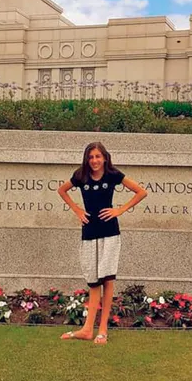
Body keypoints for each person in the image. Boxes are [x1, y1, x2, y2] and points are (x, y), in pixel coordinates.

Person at [57, 141, 147, 345]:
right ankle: (87, 329)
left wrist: (119, 210)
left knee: (107, 280)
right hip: (89, 232)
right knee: (93, 280)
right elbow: (62, 191)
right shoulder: (80, 176)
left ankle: (103, 330)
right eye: (91, 157)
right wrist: (78, 210)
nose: (94, 160)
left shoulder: (113, 175)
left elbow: (141, 192)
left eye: (98, 156)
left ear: (105, 157)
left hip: (109, 233)